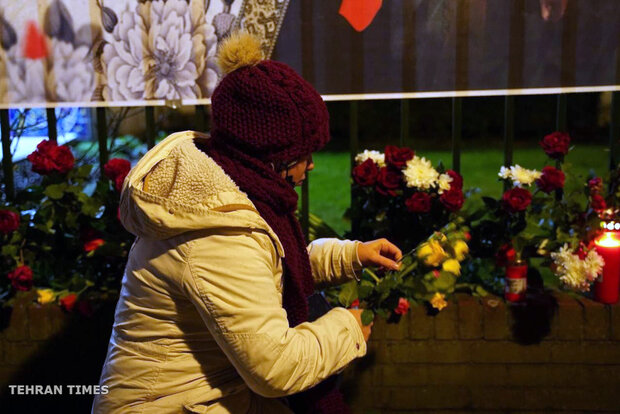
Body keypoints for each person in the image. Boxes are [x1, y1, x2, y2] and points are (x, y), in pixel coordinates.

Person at [92, 31, 401, 414]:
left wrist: (351, 256)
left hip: (210, 397)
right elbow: (276, 368)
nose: (311, 164)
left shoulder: (223, 194)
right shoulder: (216, 234)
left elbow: (266, 266)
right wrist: (349, 327)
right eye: (302, 154)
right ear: (269, 157)